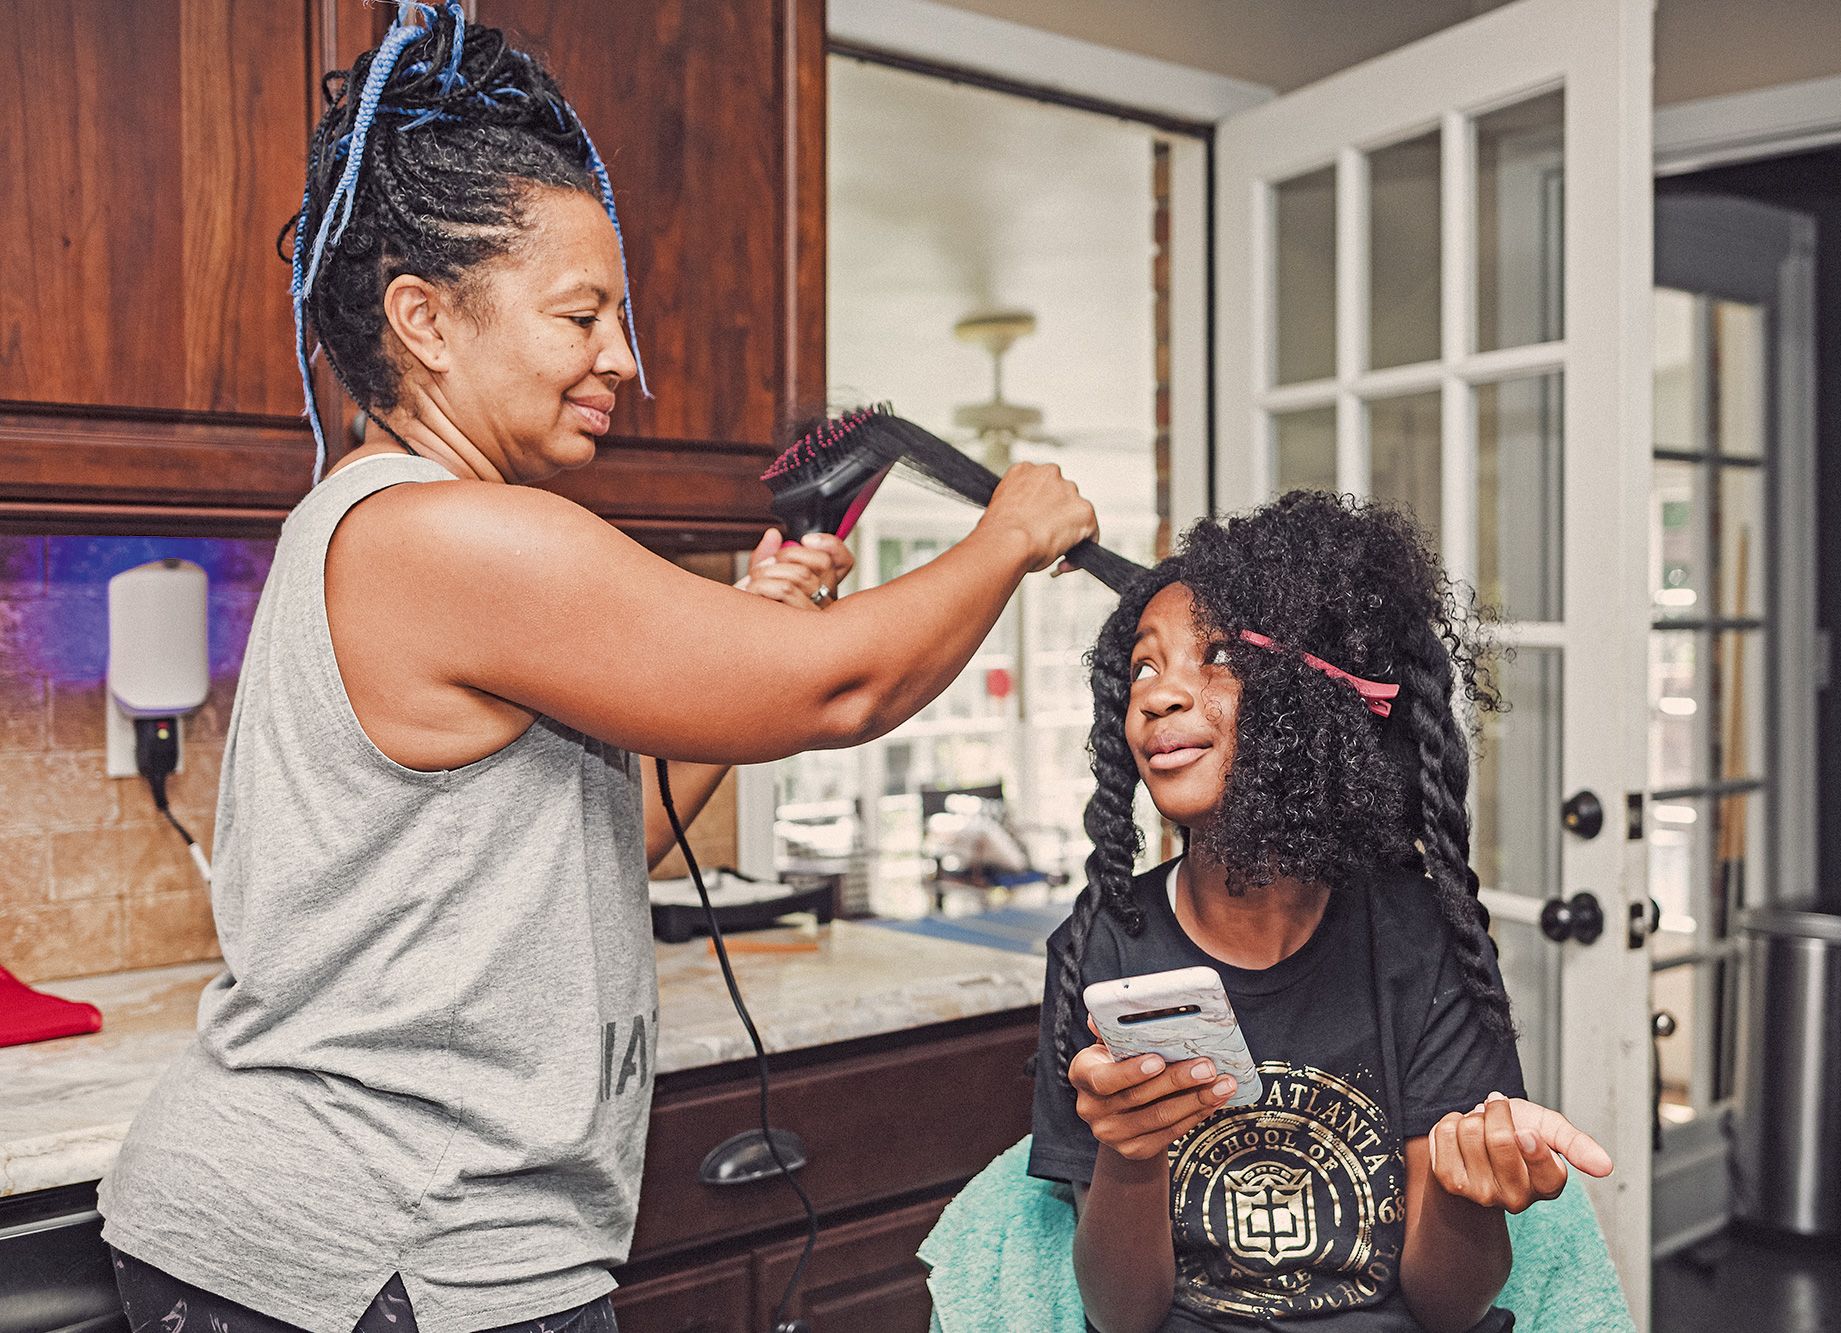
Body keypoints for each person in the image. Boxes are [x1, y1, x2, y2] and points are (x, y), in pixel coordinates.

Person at [96, 7, 1097, 1333]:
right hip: (379, 1250)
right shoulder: (446, 533)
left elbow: (607, 830)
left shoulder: (390, 525)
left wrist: (745, 638)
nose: (624, 358)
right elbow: (835, 692)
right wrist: (1007, 537)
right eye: (583, 314)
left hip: (325, 1241)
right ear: (425, 320)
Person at [1028, 491, 1612, 1333]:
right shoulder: (1101, 946)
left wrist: (1465, 1189)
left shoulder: (1422, 941)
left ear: (1316, 698)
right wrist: (1128, 1155)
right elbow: (1123, 1318)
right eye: (1144, 668)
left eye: (1217, 654)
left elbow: (1451, 1307)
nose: (1157, 697)